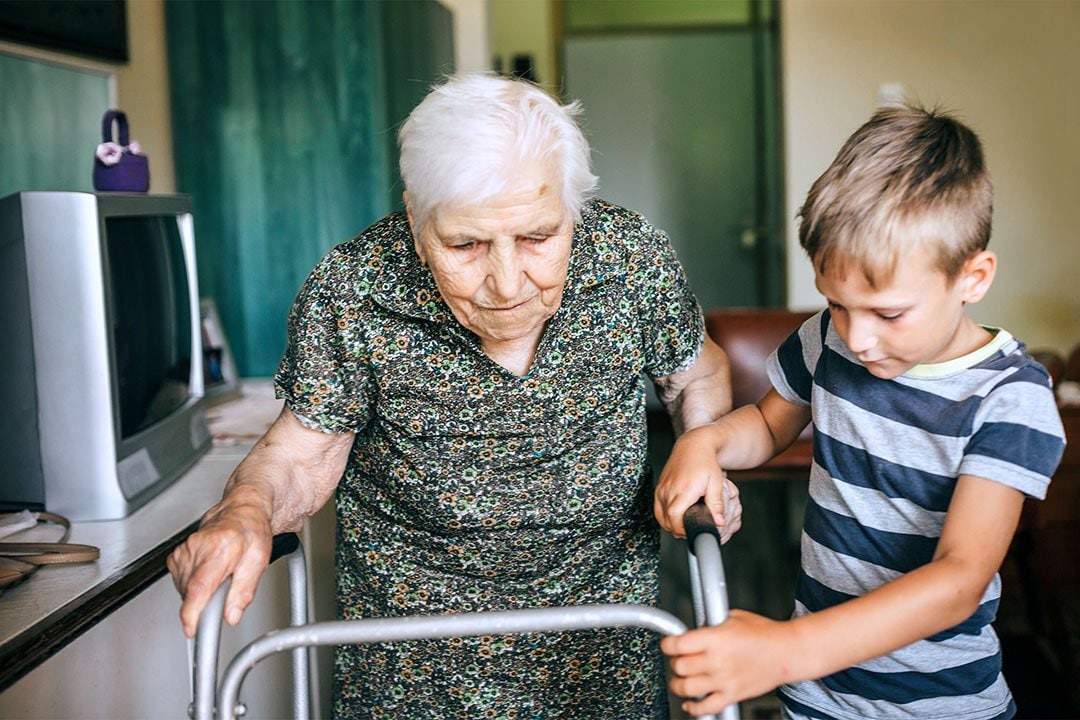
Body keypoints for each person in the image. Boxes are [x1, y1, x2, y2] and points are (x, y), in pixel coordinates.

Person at [168, 72, 739, 719]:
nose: (504, 282)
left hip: (602, 646)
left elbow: (696, 374)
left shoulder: (629, 257)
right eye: (465, 244)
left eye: (537, 238)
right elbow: (300, 455)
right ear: (416, 220)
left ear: (574, 210)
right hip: (411, 665)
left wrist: (701, 445)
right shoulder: (355, 288)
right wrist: (246, 509)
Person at [654, 104, 1066, 719]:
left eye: (889, 314)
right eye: (838, 304)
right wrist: (701, 443)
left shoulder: (1011, 399)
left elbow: (959, 579)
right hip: (818, 694)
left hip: (940, 704)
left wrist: (784, 651)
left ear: (972, 277)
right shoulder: (831, 340)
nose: (860, 337)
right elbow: (767, 426)